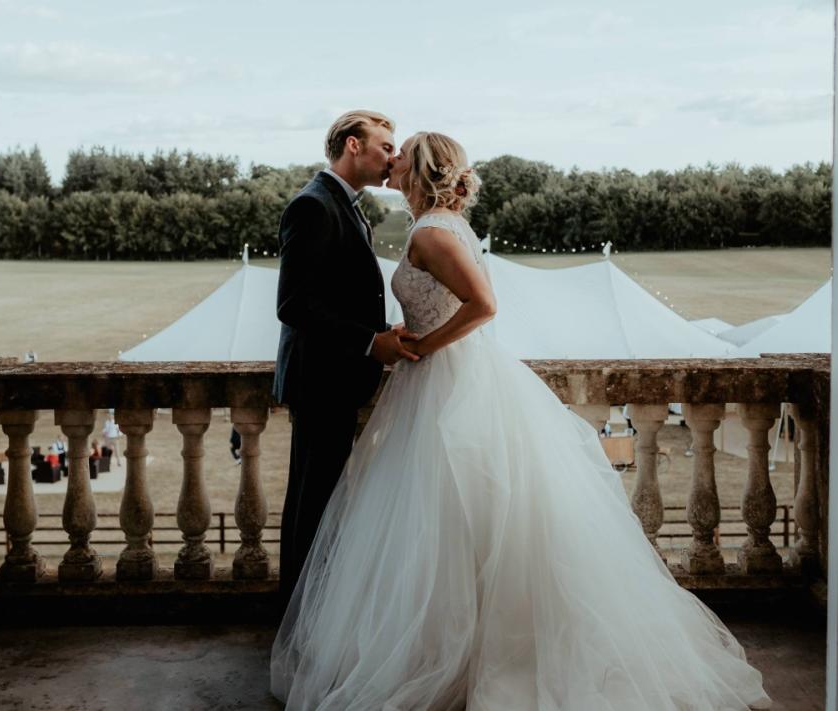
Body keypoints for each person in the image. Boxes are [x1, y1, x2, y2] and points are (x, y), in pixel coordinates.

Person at [270, 132, 771, 710]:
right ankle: (438, 638)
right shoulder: (433, 224)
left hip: (447, 378)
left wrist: (425, 346)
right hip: (431, 380)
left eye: (400, 149)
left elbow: (483, 307)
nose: (393, 157)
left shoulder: (433, 231)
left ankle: (470, 648)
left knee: (458, 512)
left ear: (421, 164)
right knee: (441, 518)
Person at [272, 109, 418, 607]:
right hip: (320, 381)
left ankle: (309, 615)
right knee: (313, 505)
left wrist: (381, 334)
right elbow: (293, 304)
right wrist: (369, 342)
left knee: (324, 503)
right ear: (353, 145)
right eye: (384, 146)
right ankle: (297, 620)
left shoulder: (347, 203)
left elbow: (337, 291)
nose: (392, 157)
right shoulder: (313, 206)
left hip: (336, 379)